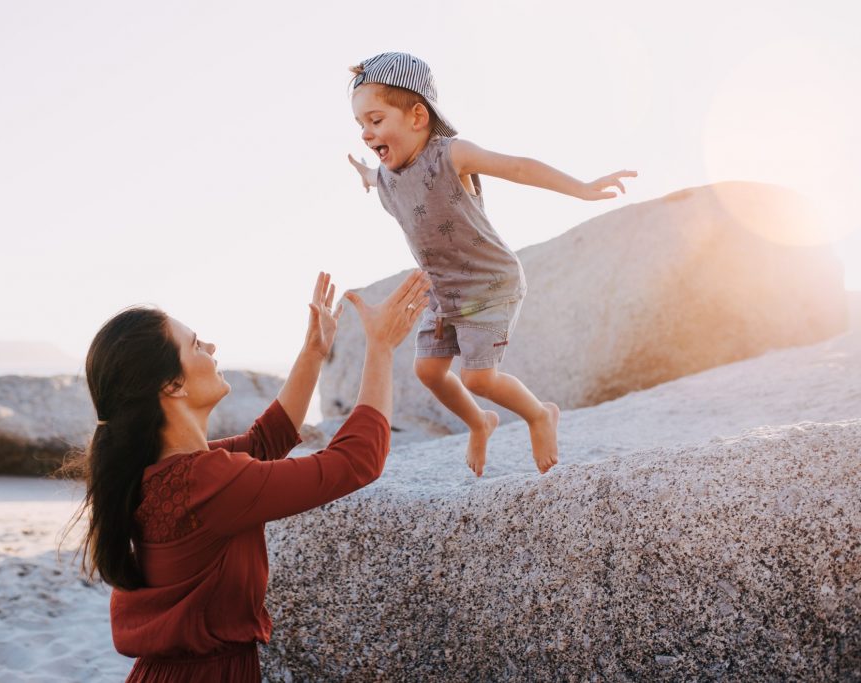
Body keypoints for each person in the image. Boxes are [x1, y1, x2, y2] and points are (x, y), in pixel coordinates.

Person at [68, 270, 429, 682]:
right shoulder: (204, 479)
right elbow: (356, 461)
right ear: (172, 385)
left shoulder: (163, 473)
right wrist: (380, 348)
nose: (211, 346)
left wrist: (313, 351)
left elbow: (264, 442)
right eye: (195, 344)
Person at [346, 51, 637, 477]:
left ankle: (539, 415)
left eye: (375, 121)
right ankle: (480, 422)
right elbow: (375, 178)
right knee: (428, 370)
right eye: (360, 126)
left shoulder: (452, 155)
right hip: (445, 292)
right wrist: (364, 174)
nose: (367, 135)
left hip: (489, 284)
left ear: (417, 117)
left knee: (478, 378)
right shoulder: (387, 177)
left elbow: (517, 167)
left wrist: (580, 188)